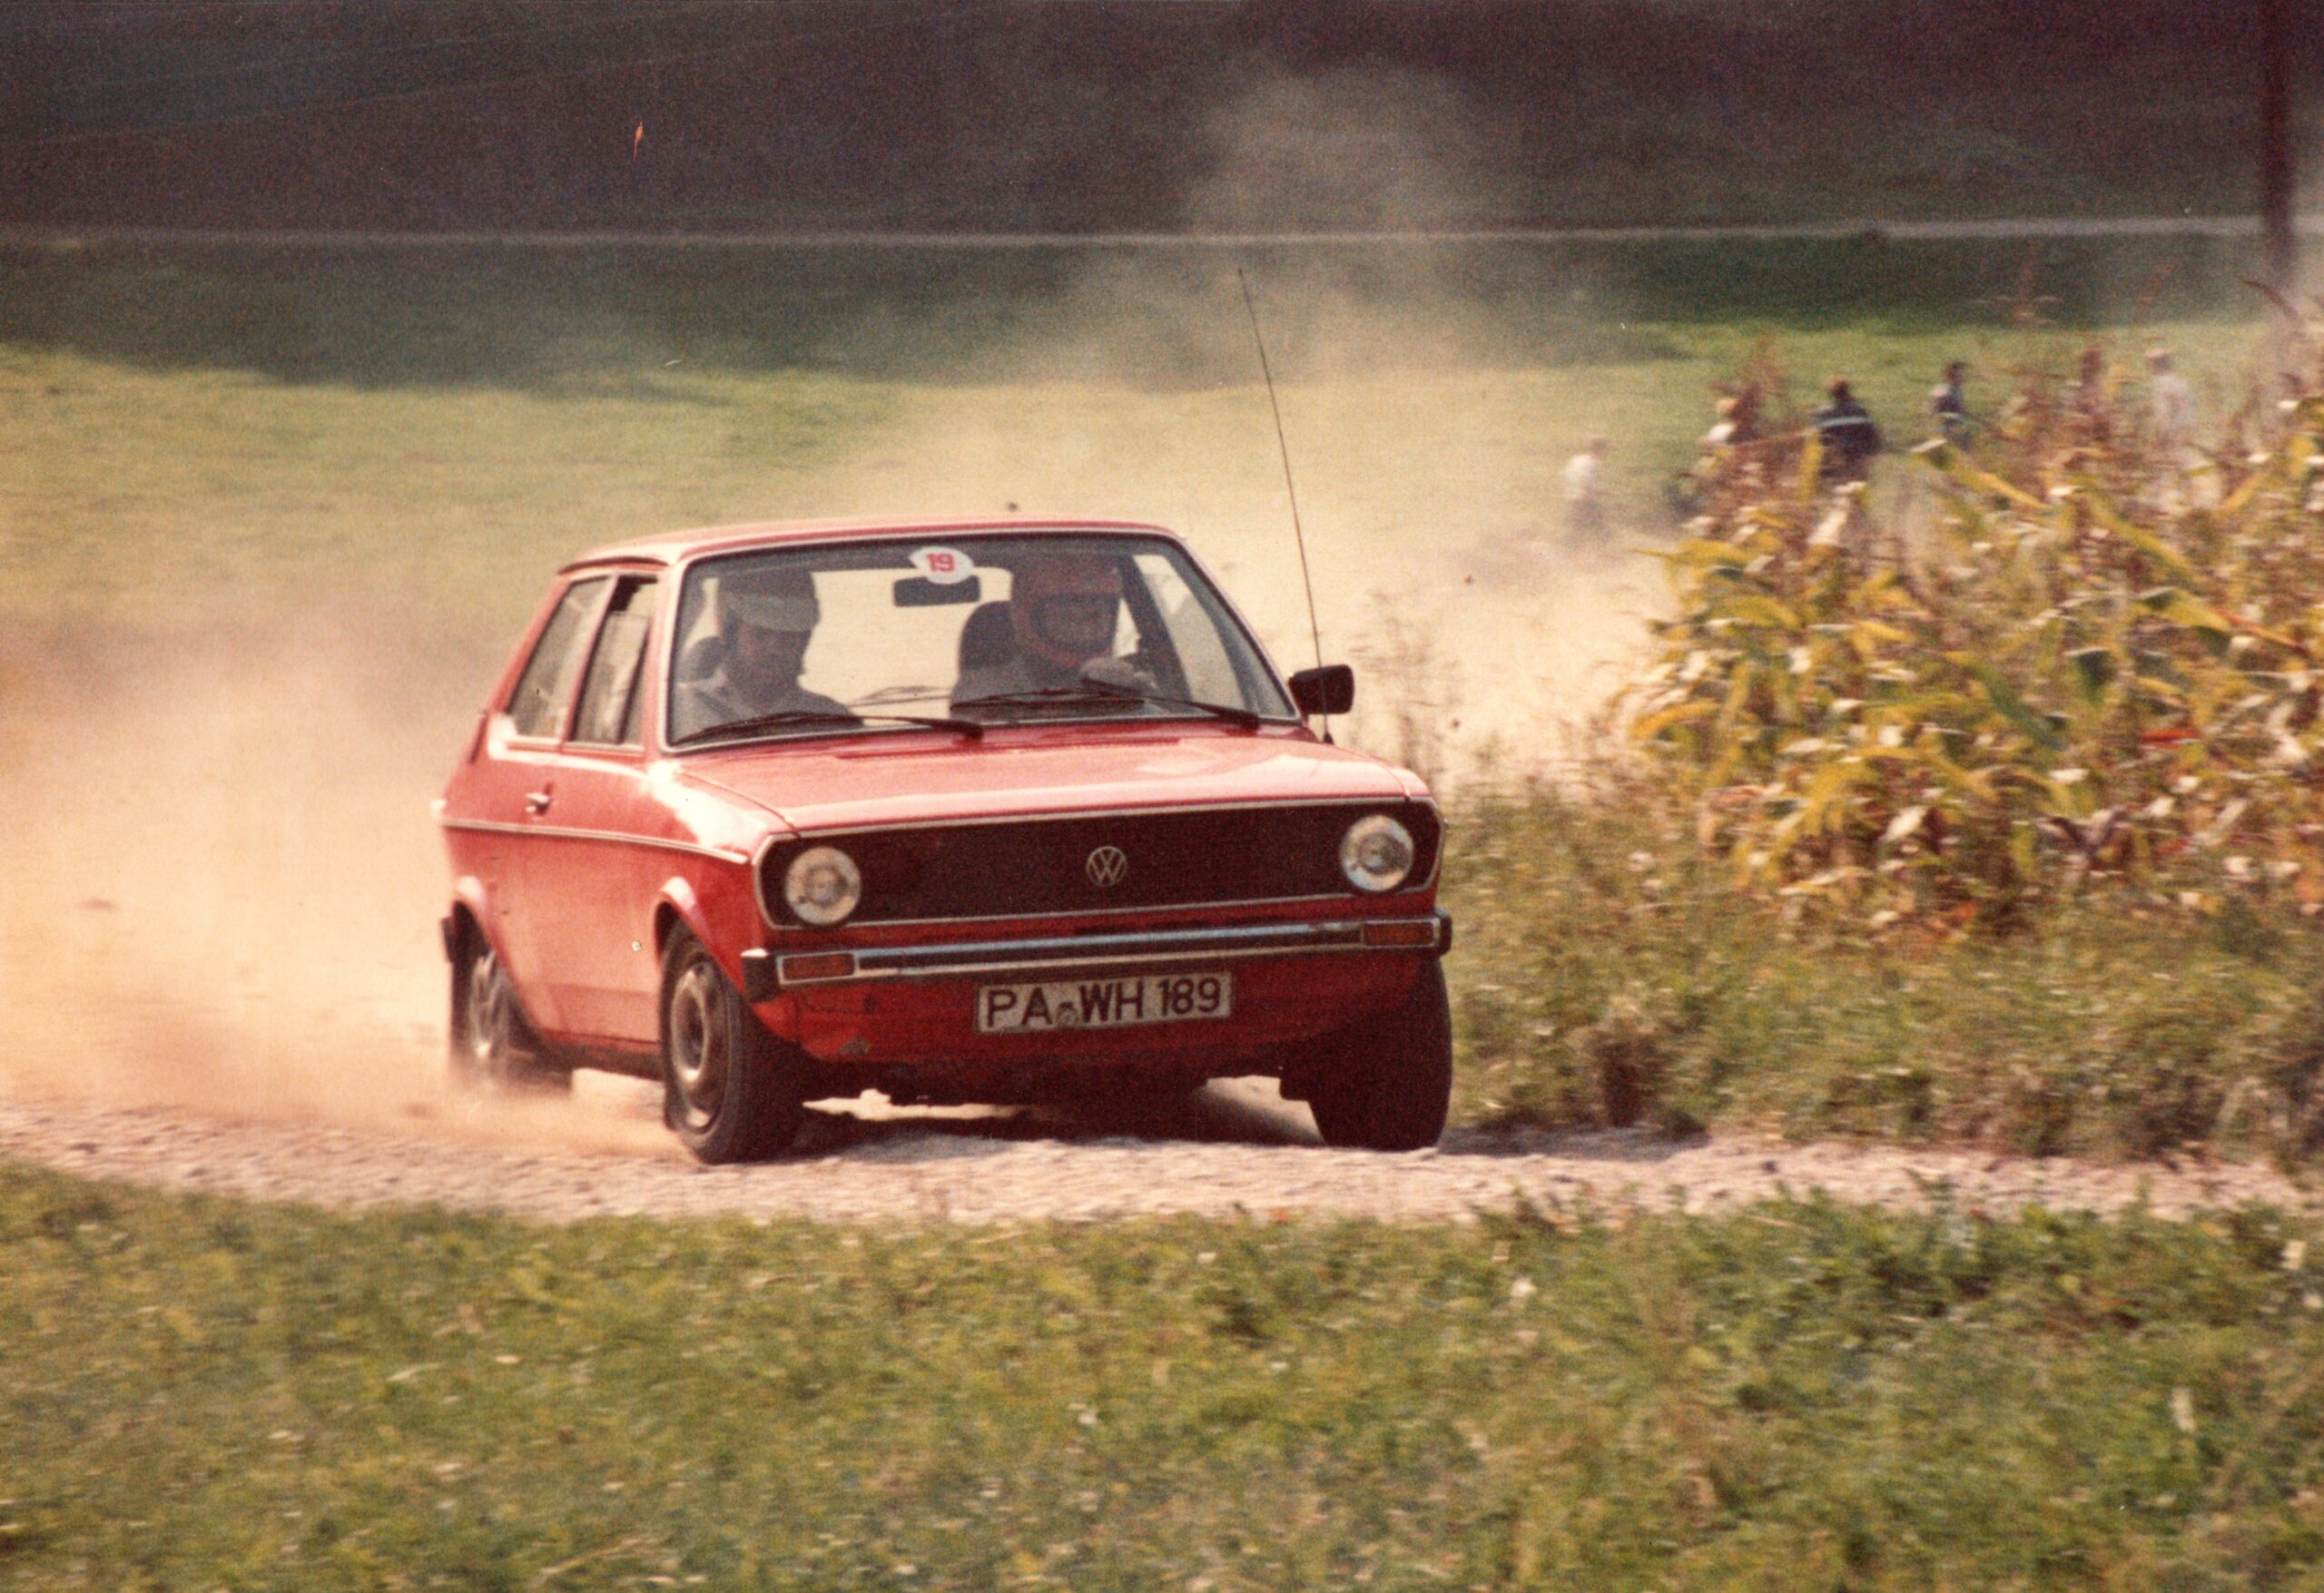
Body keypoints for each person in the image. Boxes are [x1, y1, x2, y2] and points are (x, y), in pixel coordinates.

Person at [672, 565, 849, 738]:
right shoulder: (680, 710)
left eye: (788, 637)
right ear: (732, 636)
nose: (775, 648)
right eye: (760, 634)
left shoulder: (832, 719)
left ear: (804, 642)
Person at [954, 551, 1136, 703]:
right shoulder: (982, 687)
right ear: (1026, 618)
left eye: (1095, 616)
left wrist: (1131, 693)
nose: (1084, 629)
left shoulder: (1123, 680)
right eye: (1067, 617)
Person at [1812, 379, 1883, 481]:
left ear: (1832, 394)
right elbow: (1872, 436)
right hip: (1857, 459)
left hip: (1833, 462)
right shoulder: (1860, 411)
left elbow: (1817, 439)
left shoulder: (1824, 414)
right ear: (1848, 391)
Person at [2148, 348, 2195, 456]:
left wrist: (2163, 435)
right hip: (2187, 425)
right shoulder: (2180, 381)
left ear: (2157, 366)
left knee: (2170, 460)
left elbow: (2164, 412)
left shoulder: (2160, 382)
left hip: (2173, 430)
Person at [1561, 435, 1610, 536]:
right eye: (1604, 449)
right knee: (1600, 530)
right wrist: (1604, 492)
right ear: (1599, 448)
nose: (1605, 452)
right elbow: (1589, 485)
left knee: (1576, 530)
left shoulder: (1576, 460)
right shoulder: (1592, 463)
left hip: (1572, 499)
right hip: (1585, 502)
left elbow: (1565, 475)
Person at [1931, 360, 1973, 447]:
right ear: (1950, 376)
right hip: (1945, 428)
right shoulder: (1942, 389)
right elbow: (1937, 412)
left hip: (1958, 426)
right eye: (1959, 376)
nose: (1962, 378)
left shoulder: (1957, 390)